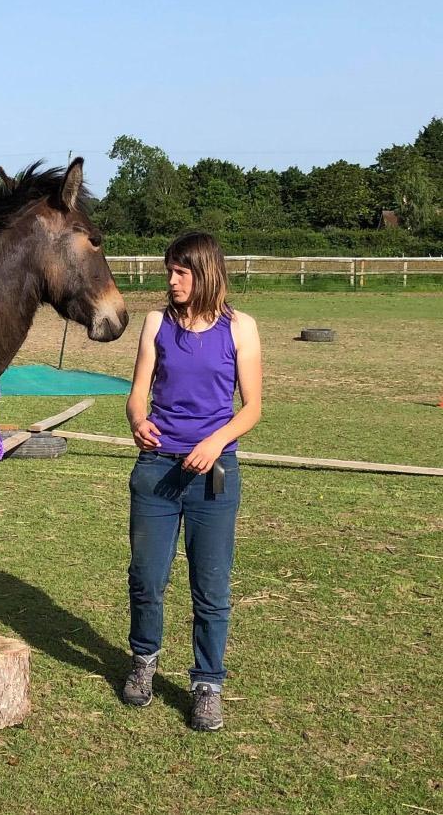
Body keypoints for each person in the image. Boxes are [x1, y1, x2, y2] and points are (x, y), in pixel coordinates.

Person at [122, 231, 262, 731]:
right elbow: (137, 394)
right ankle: (144, 661)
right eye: (169, 271)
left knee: (211, 586)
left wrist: (214, 443)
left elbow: (253, 408)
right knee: (146, 577)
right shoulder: (156, 322)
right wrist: (138, 421)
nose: (172, 280)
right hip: (156, 468)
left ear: (206, 273)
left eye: (181, 272)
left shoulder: (241, 328)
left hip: (214, 474)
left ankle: (207, 683)